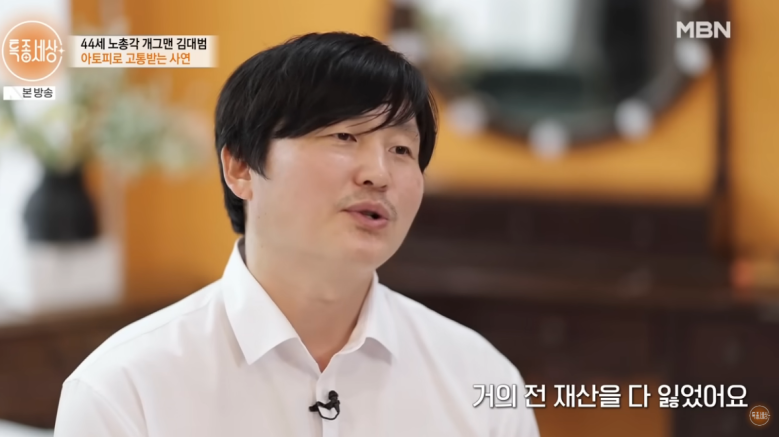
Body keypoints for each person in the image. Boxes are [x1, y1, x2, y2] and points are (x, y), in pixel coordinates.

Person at [54, 32, 540, 437]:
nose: (378, 173)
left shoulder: (481, 378)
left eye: (401, 150)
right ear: (240, 167)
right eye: (344, 136)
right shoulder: (124, 390)